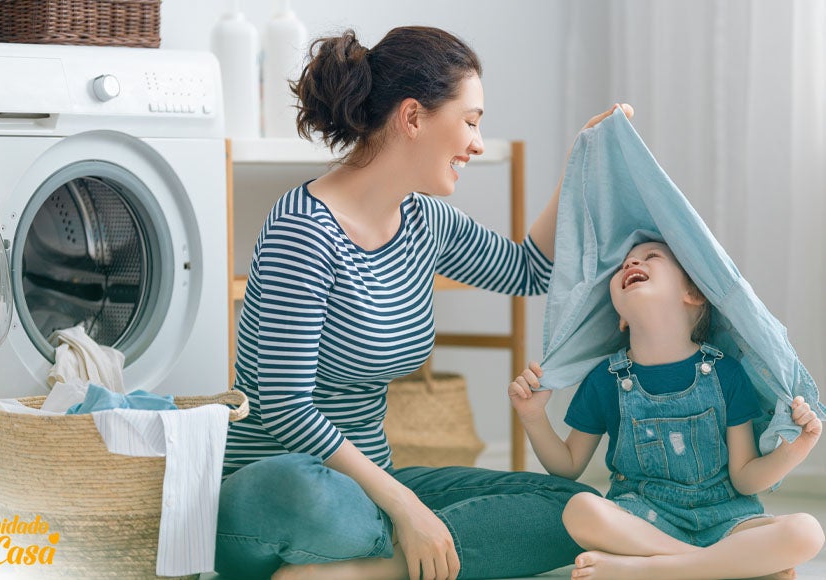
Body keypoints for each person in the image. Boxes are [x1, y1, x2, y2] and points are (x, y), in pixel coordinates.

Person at [214, 25, 632, 580]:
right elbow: (287, 407)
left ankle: (365, 570)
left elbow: (530, 268)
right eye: (470, 121)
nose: (477, 144)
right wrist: (408, 507)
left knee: (571, 504)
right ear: (412, 118)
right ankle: (402, 543)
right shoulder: (303, 230)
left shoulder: (423, 220)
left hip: (375, 488)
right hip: (279, 498)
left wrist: (583, 159)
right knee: (306, 492)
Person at [509, 240, 825, 580]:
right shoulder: (605, 379)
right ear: (620, 319)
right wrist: (533, 417)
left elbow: (746, 478)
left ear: (693, 294)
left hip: (727, 520)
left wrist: (798, 448)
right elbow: (568, 465)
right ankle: (719, 566)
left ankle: (652, 569)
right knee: (579, 510)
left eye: (651, 257)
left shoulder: (727, 374)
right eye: (623, 265)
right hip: (643, 520)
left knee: (807, 532)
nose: (630, 264)